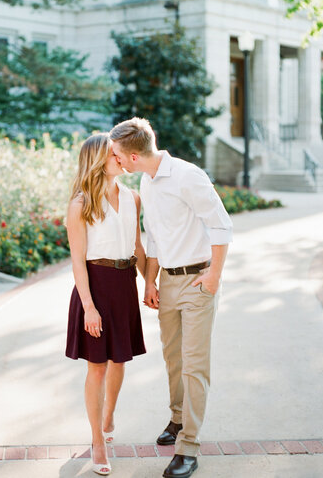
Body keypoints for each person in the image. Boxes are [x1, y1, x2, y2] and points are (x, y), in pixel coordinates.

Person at [110, 118, 233, 478]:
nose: (114, 159)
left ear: (132, 156)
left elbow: (221, 224)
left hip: (198, 281)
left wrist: (213, 276)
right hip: (168, 281)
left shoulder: (187, 176)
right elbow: (156, 239)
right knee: (173, 359)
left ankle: (189, 448)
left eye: (117, 154)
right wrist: (149, 282)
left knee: (195, 365)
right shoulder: (147, 182)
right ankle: (178, 419)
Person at [65, 133, 146, 476]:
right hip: (95, 286)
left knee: (119, 360)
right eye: (115, 153)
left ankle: (108, 414)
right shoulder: (80, 204)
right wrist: (89, 307)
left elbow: (137, 245)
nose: (122, 157)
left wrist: (150, 282)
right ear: (100, 158)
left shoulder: (133, 197)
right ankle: (97, 439)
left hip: (125, 283)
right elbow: (78, 261)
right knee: (97, 365)